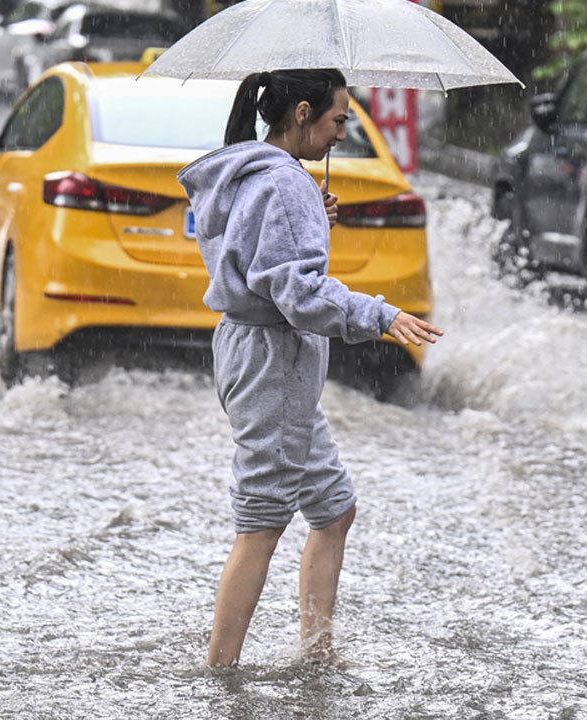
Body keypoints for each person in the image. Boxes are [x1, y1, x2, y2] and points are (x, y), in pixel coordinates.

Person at [177, 68, 442, 668]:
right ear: (302, 113)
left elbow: (255, 254)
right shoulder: (283, 183)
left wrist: (310, 220)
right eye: (338, 119)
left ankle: (317, 652)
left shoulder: (251, 170)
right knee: (262, 522)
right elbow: (297, 294)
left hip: (261, 355)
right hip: (274, 360)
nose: (343, 131)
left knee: (333, 507)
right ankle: (219, 674)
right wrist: (379, 313)